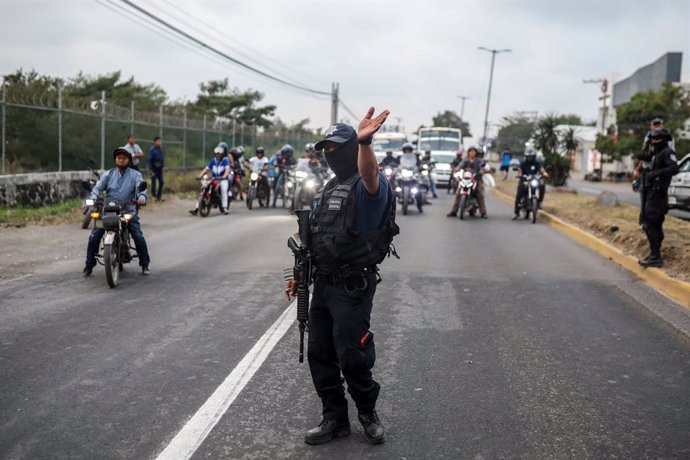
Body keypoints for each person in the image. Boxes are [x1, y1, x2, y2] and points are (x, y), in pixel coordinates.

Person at [285, 108, 397, 446]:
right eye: (327, 149)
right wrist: (298, 276)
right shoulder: (327, 188)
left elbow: (370, 174)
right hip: (323, 283)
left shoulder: (367, 187)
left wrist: (365, 144)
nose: (330, 154)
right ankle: (334, 418)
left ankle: (367, 412)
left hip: (352, 286)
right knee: (320, 353)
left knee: (352, 354)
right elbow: (314, 239)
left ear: (351, 148)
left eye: (337, 147)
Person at [83, 148, 150, 276]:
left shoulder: (135, 175)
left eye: (124, 158)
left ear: (128, 160)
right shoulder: (108, 174)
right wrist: (92, 198)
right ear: (115, 160)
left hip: (128, 210)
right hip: (109, 211)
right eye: (118, 158)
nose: (121, 160)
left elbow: (141, 188)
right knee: (94, 235)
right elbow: (97, 188)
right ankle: (89, 265)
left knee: (138, 235)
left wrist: (141, 198)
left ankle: (145, 263)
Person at [638, 128, 679, 267]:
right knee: (652, 223)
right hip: (652, 193)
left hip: (658, 194)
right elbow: (642, 156)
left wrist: (656, 173)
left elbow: (674, 168)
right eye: (652, 139)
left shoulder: (667, 152)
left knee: (649, 223)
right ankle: (654, 254)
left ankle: (656, 257)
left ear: (664, 139)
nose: (654, 141)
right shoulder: (657, 153)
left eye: (657, 139)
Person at [634, 117, 674, 224]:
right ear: (651, 126)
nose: (657, 126)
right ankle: (644, 220)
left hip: (661, 171)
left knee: (659, 197)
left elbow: (671, 156)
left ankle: (656, 221)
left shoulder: (668, 137)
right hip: (648, 170)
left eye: (659, 124)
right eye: (655, 124)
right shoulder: (649, 136)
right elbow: (645, 153)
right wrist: (638, 168)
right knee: (645, 195)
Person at [446, 146, 487, 218]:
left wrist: (481, 171)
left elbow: (482, 167)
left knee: (480, 194)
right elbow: (459, 167)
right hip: (466, 179)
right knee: (458, 193)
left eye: (473, 152)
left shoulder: (479, 161)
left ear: (476, 153)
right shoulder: (465, 161)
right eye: (470, 152)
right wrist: (456, 169)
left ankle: (483, 212)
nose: (472, 153)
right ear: (468, 153)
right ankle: (454, 211)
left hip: (476, 179)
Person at [189, 146, 231, 215]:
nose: (218, 155)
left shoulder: (225, 160)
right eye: (217, 154)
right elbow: (206, 169)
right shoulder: (213, 160)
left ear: (222, 154)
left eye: (219, 154)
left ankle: (225, 208)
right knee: (203, 189)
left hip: (222, 179)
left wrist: (224, 176)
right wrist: (200, 175)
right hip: (213, 178)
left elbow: (227, 170)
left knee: (224, 190)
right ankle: (196, 208)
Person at [512, 148, 549, 220]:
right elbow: (519, 170)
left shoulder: (537, 163)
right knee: (519, 193)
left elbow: (542, 169)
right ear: (526, 157)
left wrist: (545, 173)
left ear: (534, 156)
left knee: (542, 186)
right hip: (525, 180)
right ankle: (516, 212)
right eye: (528, 156)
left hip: (534, 180)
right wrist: (518, 174)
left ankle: (540, 201)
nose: (530, 158)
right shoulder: (523, 163)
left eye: (531, 156)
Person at [148, 136, 165, 201]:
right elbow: (149, 159)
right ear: (154, 142)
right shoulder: (152, 149)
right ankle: (154, 196)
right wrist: (150, 169)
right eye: (158, 141)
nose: (159, 142)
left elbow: (162, 158)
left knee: (161, 182)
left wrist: (163, 166)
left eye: (160, 141)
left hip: (160, 169)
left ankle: (159, 196)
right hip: (153, 168)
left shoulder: (161, 149)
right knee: (154, 183)